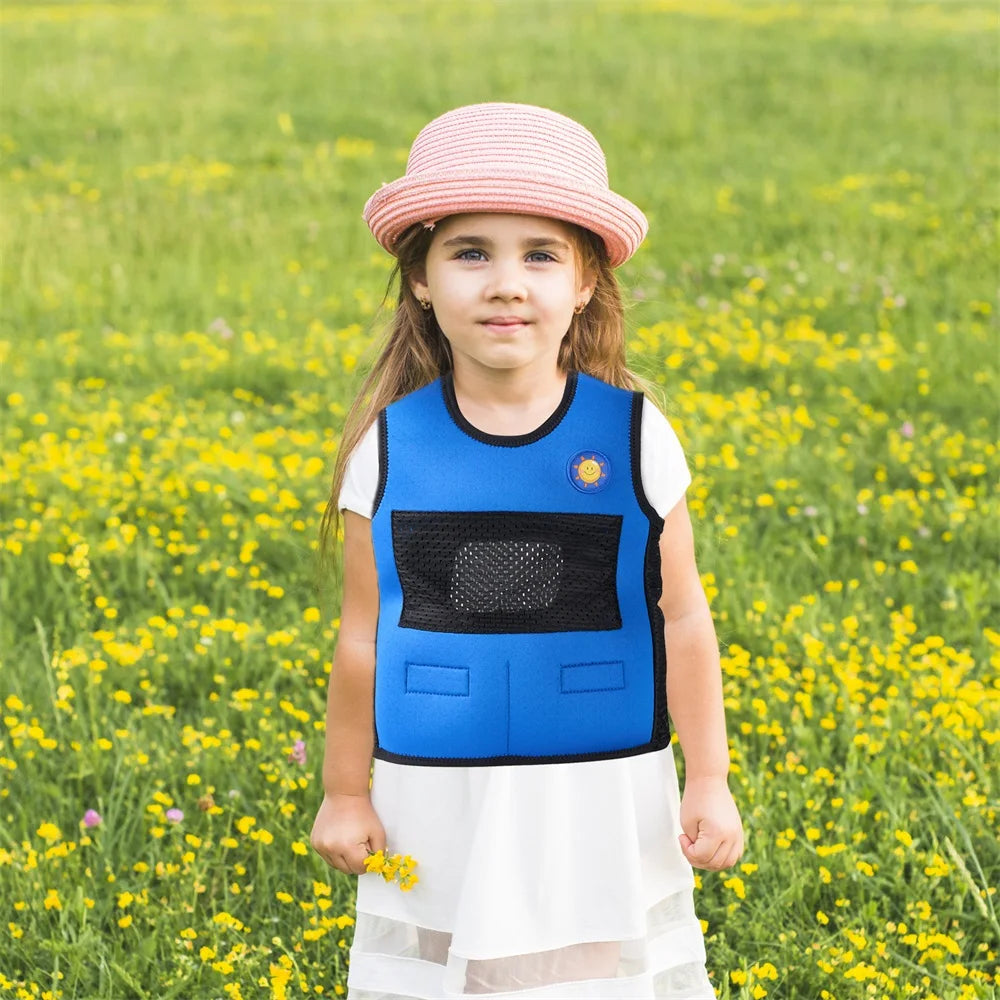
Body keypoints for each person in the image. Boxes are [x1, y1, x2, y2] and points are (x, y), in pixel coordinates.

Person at [310, 102, 744, 999]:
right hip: (436, 793)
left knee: (581, 974)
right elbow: (362, 637)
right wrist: (346, 792)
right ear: (420, 279)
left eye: (540, 255)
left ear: (585, 283)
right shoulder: (387, 449)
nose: (506, 284)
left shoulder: (636, 438)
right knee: (447, 968)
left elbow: (682, 619)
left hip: (595, 788)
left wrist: (708, 778)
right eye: (471, 253)